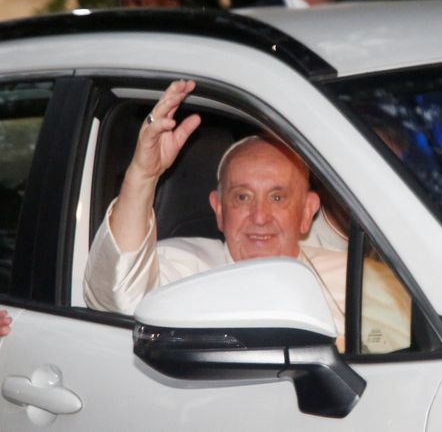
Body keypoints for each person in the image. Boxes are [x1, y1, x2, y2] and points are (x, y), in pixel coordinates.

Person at [83, 80, 409, 352]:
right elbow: (116, 298)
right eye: (242, 197)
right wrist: (143, 175)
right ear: (219, 210)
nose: (260, 216)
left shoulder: (360, 277)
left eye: (278, 197)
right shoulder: (183, 265)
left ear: (307, 212)